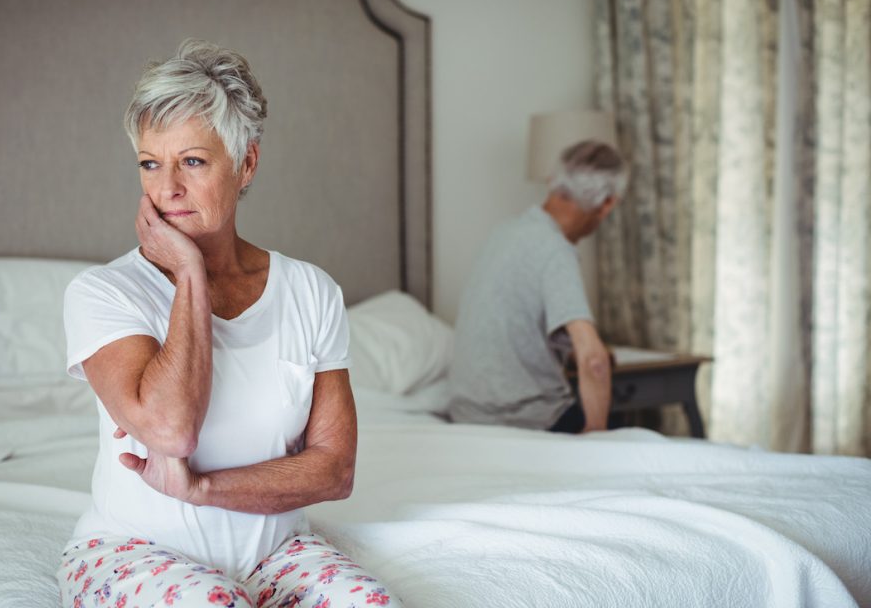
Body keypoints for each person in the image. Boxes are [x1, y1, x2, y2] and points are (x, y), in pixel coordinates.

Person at [57, 39, 402, 608]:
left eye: (192, 161)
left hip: (277, 552)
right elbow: (171, 431)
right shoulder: (102, 293)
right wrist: (190, 272)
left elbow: (334, 470)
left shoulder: (311, 291)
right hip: (135, 550)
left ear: (246, 164)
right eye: (150, 163)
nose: (166, 190)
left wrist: (203, 487)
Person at [446, 140, 627, 433]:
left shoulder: (504, 233)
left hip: (467, 417)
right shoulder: (555, 249)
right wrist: (596, 436)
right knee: (622, 429)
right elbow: (594, 360)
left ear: (552, 181)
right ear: (607, 204)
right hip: (528, 421)